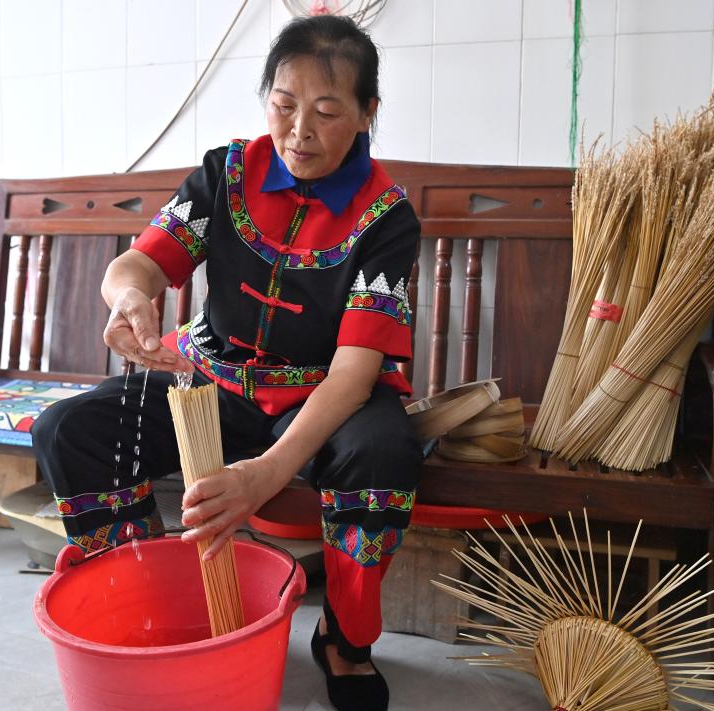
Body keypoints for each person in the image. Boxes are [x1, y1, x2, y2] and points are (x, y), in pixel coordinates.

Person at [31, 14, 422, 711]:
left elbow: (354, 373)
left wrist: (265, 474)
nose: (300, 129)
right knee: (67, 430)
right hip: (215, 385)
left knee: (382, 455)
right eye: (283, 104)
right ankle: (146, 597)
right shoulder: (227, 174)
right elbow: (139, 262)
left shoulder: (384, 216)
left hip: (325, 402)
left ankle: (345, 640)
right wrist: (130, 300)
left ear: (367, 113)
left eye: (327, 111)